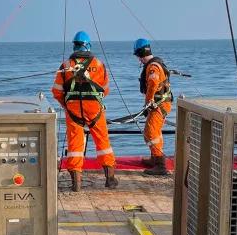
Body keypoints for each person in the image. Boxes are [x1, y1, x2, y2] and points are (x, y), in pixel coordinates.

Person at [52, 30, 117, 192]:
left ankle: (76, 184)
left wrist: (66, 105)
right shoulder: (99, 64)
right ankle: (109, 178)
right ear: (88, 45)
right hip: (95, 109)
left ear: (74, 45)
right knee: (103, 142)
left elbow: (56, 91)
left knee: (75, 145)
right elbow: (106, 90)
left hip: (73, 109)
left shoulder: (66, 66)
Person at [133, 38, 172, 175]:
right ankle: (155, 158)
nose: (139, 60)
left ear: (141, 53)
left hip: (158, 104)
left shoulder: (153, 66)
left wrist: (148, 101)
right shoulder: (154, 64)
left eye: (138, 56)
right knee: (153, 132)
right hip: (160, 104)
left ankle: (160, 165)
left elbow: (154, 82)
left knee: (151, 133)